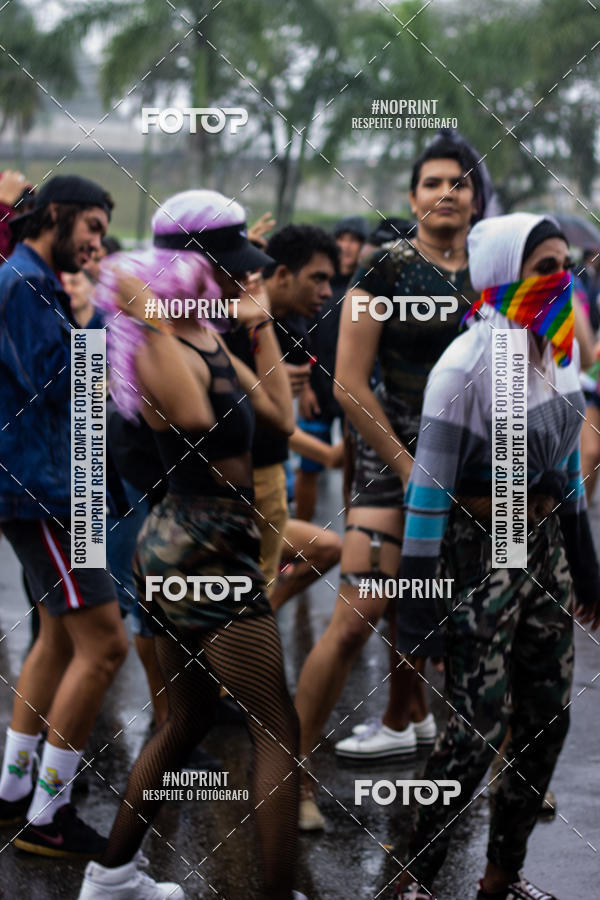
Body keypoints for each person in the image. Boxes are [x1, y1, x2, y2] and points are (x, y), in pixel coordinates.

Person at [77, 189, 306, 900]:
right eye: (231, 267)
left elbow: (280, 416)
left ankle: (110, 877)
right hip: (195, 542)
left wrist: (257, 327)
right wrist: (158, 311)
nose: (246, 277)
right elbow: (196, 414)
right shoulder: (150, 344)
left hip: (210, 539)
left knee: (188, 716)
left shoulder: (207, 332)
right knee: (278, 726)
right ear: (187, 267)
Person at [392, 212, 600, 900]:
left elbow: (567, 468)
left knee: (548, 715)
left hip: (539, 545)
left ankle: (501, 876)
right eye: (544, 268)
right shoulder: (467, 364)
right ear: (502, 276)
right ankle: (411, 875)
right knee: (474, 731)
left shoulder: (556, 348)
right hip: (478, 548)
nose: (561, 280)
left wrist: (585, 562)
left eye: (565, 265)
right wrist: (415, 611)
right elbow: (427, 493)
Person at [293, 133, 485, 830]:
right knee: (353, 621)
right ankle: (293, 781)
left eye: (459, 183)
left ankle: (517, 771)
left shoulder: (501, 267)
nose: (446, 192)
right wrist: (411, 469)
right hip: (392, 467)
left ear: (475, 197)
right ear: (412, 197)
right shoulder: (384, 270)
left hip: (484, 472)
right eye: (433, 182)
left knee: (498, 620)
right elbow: (348, 382)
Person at [0, 175, 129, 858]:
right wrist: (101, 317)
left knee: (56, 638)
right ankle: (48, 814)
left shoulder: (31, 279)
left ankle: (14, 792)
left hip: (51, 487)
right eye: (93, 229)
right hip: (43, 493)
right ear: (56, 215)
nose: (97, 245)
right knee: (105, 644)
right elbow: (58, 383)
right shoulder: (24, 283)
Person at [225, 224, 342, 609]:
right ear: (281, 275)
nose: (327, 292)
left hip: (271, 481)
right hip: (233, 489)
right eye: (318, 279)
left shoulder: (292, 325)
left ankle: (263, 618)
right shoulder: (229, 323)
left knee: (258, 602)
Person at [295, 216, 368, 522]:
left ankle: (353, 541)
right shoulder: (319, 283)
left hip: (355, 391)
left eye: (354, 240)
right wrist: (306, 387)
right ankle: (299, 542)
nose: (346, 246)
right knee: (309, 466)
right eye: (341, 238)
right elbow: (299, 332)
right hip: (318, 390)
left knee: (353, 470)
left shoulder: (368, 285)